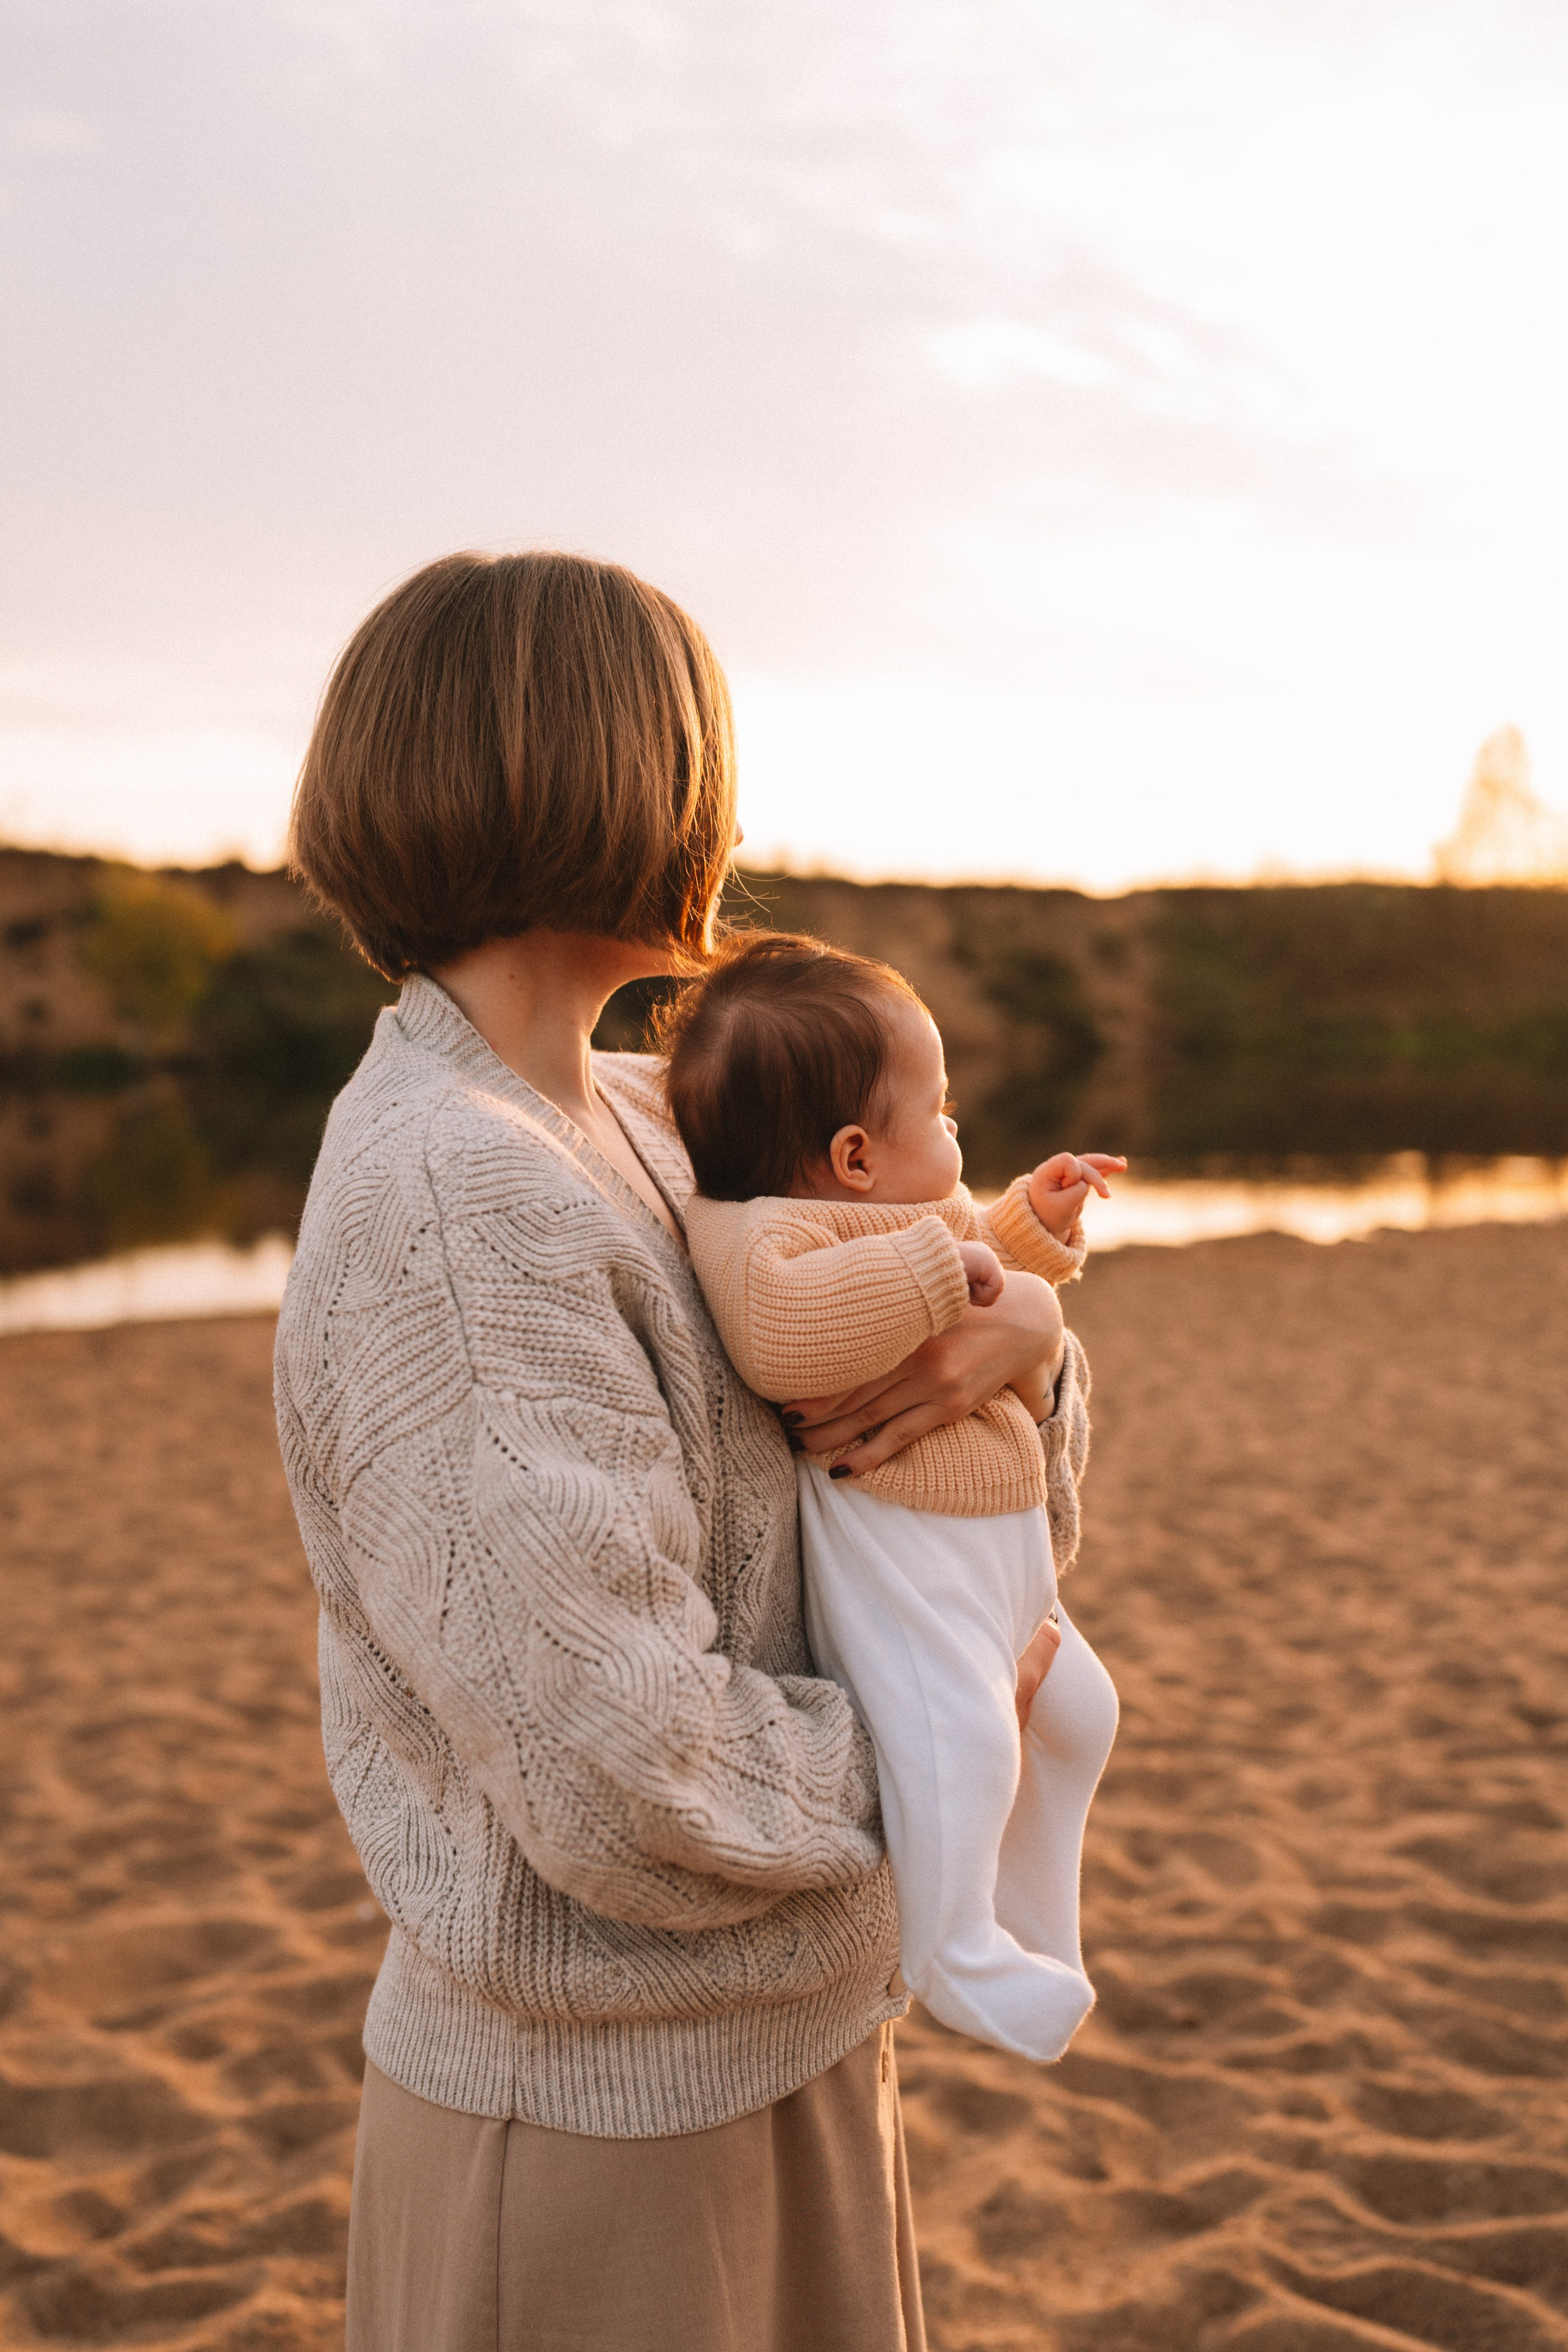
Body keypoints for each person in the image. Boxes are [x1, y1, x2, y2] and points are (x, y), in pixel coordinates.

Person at [273, 548, 1085, 2352]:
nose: (719, 807)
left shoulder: (645, 1108)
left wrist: (1030, 1341)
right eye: (692, 749)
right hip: (593, 2130)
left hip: (782, 2039)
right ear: (608, 775)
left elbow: (895, 1416)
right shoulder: (453, 1194)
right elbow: (620, 1767)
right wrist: (941, 1745)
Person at [663, 932, 1122, 2062]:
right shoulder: (757, 1230)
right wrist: (952, 1277)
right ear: (857, 1156)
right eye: (944, 1108)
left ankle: (1036, 1927)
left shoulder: (903, 1211)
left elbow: (984, 1248)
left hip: (997, 1554)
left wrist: (1036, 1225)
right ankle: (954, 1952)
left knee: (1079, 1717)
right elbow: (783, 1330)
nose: (958, 1131)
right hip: (908, 1568)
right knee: (966, 1741)